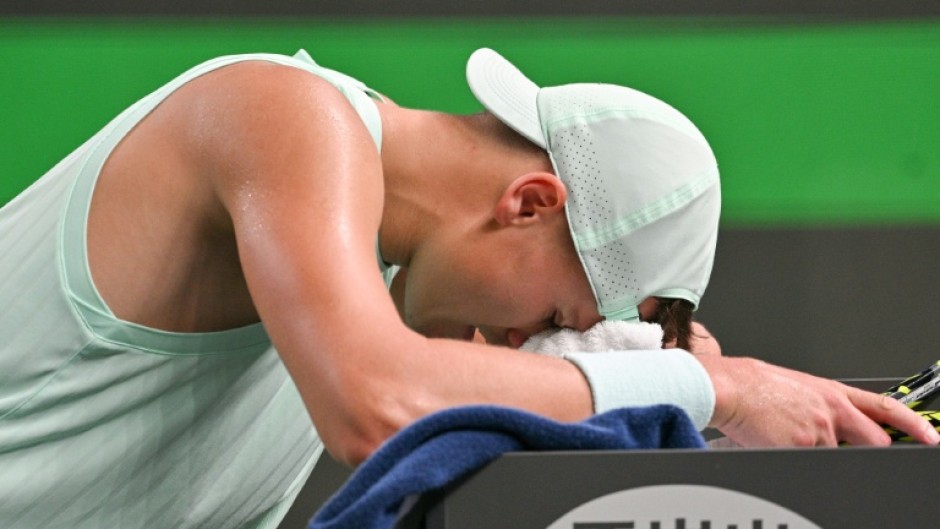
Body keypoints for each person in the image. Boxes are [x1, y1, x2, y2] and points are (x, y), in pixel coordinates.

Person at [0, 47, 935, 529]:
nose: (532, 341)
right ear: (530, 201)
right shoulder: (286, 114)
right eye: (557, 315)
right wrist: (717, 389)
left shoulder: (337, 281)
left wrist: (671, 375)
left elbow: (445, 384)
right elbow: (383, 402)